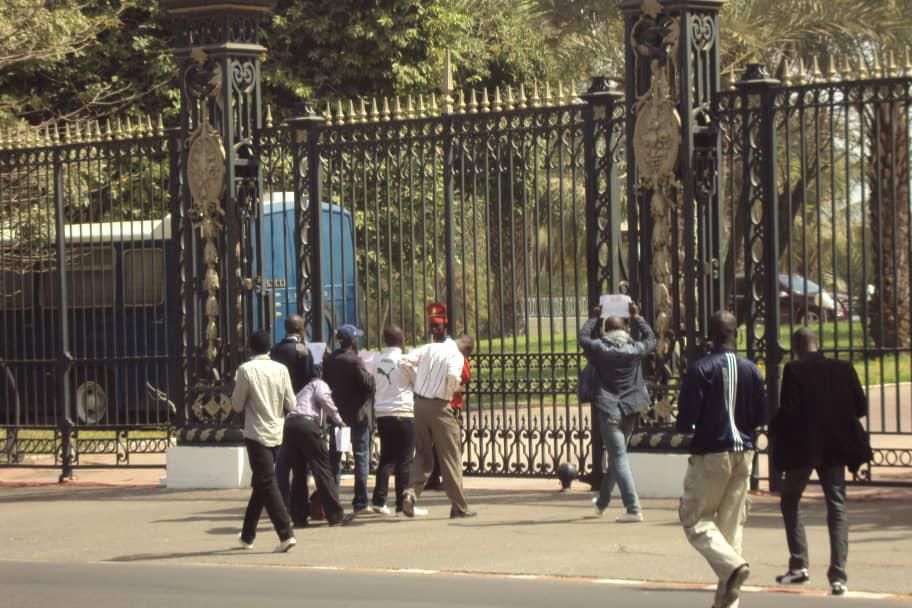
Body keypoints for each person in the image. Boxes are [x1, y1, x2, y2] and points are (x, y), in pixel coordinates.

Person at [769, 327, 873, 596]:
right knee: (837, 505)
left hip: (804, 449)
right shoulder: (843, 368)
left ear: (796, 348)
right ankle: (839, 576)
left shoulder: (793, 371)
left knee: (790, 499)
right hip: (834, 448)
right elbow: (860, 406)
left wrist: (774, 428)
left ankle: (799, 565)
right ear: (817, 344)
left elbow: (789, 411)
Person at [676, 310, 768, 608]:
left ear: (710, 337)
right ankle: (727, 602)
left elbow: (685, 419)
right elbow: (760, 416)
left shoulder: (700, 369)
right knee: (731, 527)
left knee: (695, 519)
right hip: (745, 454)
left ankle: (733, 568)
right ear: (736, 336)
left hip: (711, 454)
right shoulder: (752, 369)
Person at [578, 301, 655, 522]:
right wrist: (638, 317)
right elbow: (651, 339)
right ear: (624, 329)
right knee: (617, 456)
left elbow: (583, 338)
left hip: (608, 407)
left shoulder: (600, 349)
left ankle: (633, 508)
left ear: (606, 329)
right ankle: (602, 502)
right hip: (630, 408)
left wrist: (594, 318)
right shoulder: (635, 349)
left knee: (618, 456)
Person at [230, 329, 297, 553]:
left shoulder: (245, 370)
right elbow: (292, 404)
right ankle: (247, 535)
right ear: (269, 348)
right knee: (261, 483)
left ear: (250, 348)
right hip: (277, 432)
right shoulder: (281, 369)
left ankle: (285, 532)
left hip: (256, 433)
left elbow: (237, 405)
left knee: (266, 482)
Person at [399, 333, 475, 518]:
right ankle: (458, 506)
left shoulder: (430, 347)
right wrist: (449, 391)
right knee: (450, 455)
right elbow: (452, 376)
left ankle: (410, 493)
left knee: (423, 453)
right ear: (466, 350)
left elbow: (403, 362)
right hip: (440, 406)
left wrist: (418, 382)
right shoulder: (456, 356)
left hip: (419, 403)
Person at [283, 362, 347, 527]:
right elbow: (324, 399)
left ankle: (298, 515)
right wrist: (339, 421)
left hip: (290, 426)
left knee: (299, 471)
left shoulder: (303, 391)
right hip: (306, 424)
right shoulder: (319, 384)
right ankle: (335, 514)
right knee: (322, 469)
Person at [322, 324, 375, 515]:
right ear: (352, 341)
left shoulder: (329, 360)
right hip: (357, 415)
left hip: (337, 415)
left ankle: (333, 501)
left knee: (335, 458)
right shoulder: (355, 361)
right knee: (361, 456)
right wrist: (370, 373)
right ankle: (360, 502)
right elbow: (368, 386)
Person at [369, 325, 419, 516]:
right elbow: (417, 382)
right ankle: (401, 505)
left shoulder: (377, 359)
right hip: (403, 412)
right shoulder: (404, 360)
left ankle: (379, 500)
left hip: (382, 413)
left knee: (387, 458)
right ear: (402, 339)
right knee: (405, 460)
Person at [269, 315, 317, 509]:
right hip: (299, 408)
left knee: (282, 459)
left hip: (278, 408)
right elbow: (310, 381)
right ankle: (299, 501)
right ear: (301, 329)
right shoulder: (303, 351)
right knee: (299, 461)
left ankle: (281, 498)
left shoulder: (275, 350)